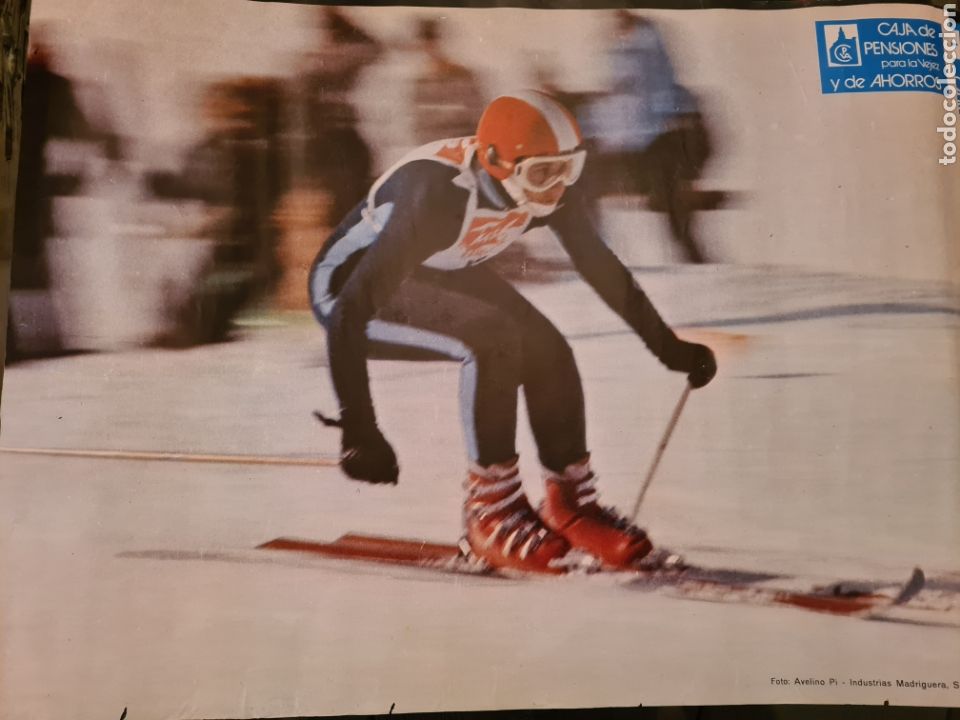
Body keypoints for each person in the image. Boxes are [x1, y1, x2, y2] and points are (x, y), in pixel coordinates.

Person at [308, 90, 716, 575]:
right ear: (499, 163)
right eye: (544, 175)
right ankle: (490, 512)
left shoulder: (542, 180)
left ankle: (570, 504)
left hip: (439, 264)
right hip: (350, 289)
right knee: (492, 338)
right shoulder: (438, 196)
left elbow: (599, 265)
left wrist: (668, 347)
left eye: (570, 170)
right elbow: (351, 312)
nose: (557, 190)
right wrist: (360, 428)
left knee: (547, 346)